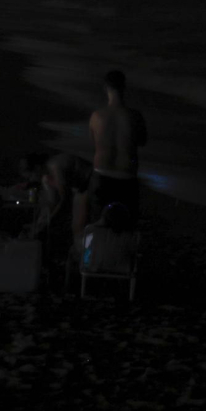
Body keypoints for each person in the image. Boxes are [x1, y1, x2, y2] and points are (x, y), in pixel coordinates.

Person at [87, 70, 148, 226]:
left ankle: (95, 250)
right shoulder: (135, 116)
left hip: (102, 173)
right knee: (126, 225)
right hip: (126, 175)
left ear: (105, 88)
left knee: (98, 223)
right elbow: (142, 141)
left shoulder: (96, 117)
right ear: (124, 87)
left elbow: (95, 144)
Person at [79, 202, 140, 276]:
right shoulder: (130, 235)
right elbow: (133, 250)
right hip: (123, 270)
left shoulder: (91, 230)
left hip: (94, 268)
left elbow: (84, 246)